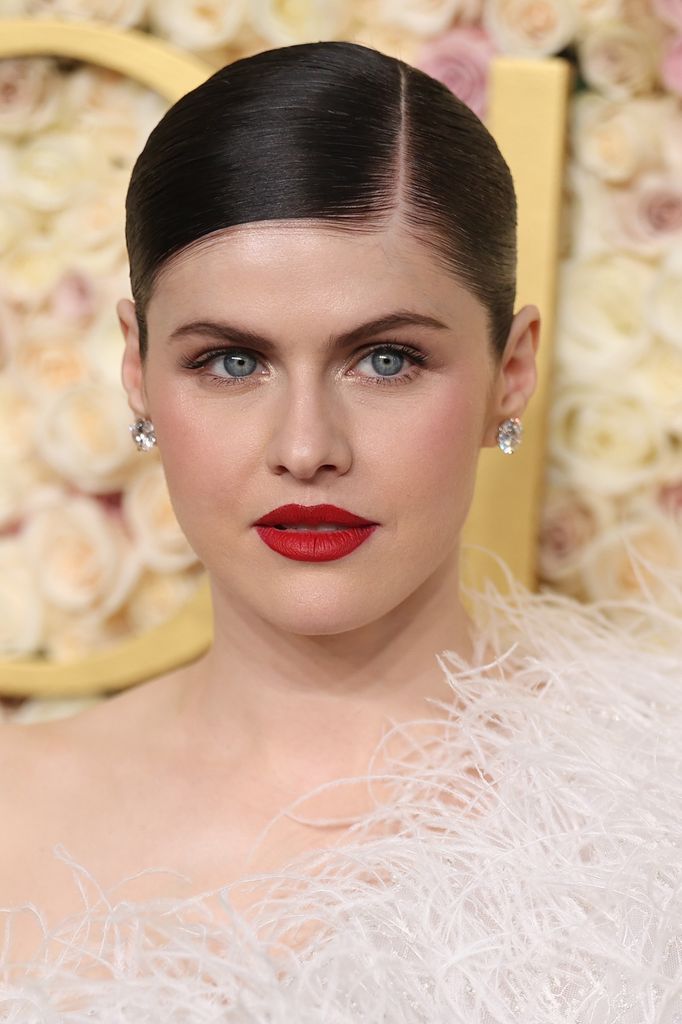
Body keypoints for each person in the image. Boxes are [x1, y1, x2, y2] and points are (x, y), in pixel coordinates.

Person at [1, 40, 680, 1021]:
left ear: (512, 370)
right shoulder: (16, 809)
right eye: (232, 362)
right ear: (136, 368)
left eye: (388, 359)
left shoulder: (650, 797)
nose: (306, 447)